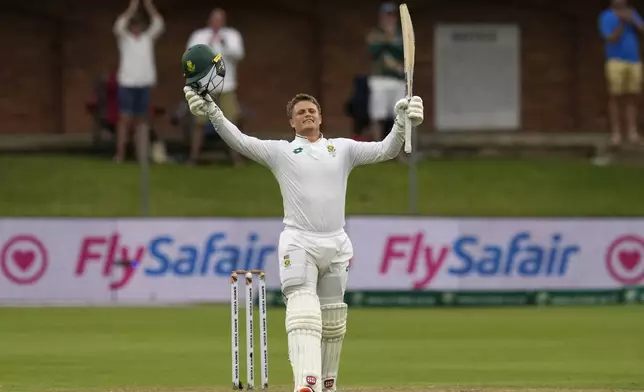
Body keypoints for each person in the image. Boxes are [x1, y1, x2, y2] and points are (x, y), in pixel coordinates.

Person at [180, 44, 424, 392]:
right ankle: (305, 385)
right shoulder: (281, 152)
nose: (307, 115)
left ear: (320, 117)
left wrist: (402, 121)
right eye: (300, 112)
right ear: (291, 121)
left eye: (312, 110)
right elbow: (240, 140)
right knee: (304, 315)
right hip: (299, 241)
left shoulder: (343, 149)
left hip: (336, 242)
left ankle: (327, 385)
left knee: (334, 322)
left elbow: (388, 149)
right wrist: (213, 112)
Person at [185, 8, 245, 165]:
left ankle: (236, 159)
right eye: (214, 19)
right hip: (204, 85)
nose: (217, 23)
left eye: (220, 19)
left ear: (224, 21)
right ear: (209, 21)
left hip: (227, 85)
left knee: (231, 122)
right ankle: (193, 157)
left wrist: (224, 44)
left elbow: (238, 54)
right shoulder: (200, 35)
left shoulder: (232, 35)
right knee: (199, 122)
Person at [113, 0, 165, 163]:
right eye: (133, 24)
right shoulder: (125, 38)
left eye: (139, 24)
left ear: (142, 26)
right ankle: (120, 154)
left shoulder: (147, 38)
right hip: (127, 83)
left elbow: (158, 23)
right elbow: (118, 25)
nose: (136, 27)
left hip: (144, 83)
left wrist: (148, 5)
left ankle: (141, 155)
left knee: (142, 120)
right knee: (125, 119)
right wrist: (132, 7)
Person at [599, 0, 644, 145]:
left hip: (634, 60)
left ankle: (632, 132)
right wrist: (622, 23)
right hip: (615, 60)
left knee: (633, 96)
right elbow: (610, 38)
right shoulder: (606, 16)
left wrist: (632, 20)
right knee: (615, 96)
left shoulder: (632, 13)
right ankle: (616, 133)